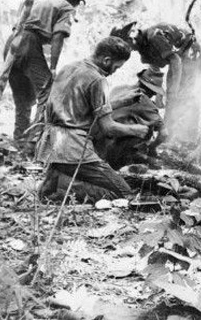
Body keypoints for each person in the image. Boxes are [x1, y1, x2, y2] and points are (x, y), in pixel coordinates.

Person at [37, 37, 149, 202]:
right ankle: (68, 192)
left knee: (46, 194)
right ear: (106, 60)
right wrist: (137, 130)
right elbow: (108, 127)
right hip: (74, 148)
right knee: (125, 193)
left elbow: (79, 107)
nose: (115, 71)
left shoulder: (69, 68)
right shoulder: (97, 79)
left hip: (51, 142)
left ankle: (54, 188)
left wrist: (122, 101)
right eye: (117, 67)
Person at [6, 0, 85, 150]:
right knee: (48, 92)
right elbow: (58, 36)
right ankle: (34, 141)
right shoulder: (67, 8)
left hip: (12, 42)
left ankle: (19, 141)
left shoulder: (46, 2)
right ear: (76, 0)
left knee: (23, 98)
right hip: (28, 43)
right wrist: (54, 67)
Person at [110, 21, 201, 143]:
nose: (127, 50)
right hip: (178, 57)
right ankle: (168, 137)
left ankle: (185, 137)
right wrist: (160, 93)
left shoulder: (154, 37)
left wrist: (172, 91)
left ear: (130, 38)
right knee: (171, 96)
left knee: (181, 95)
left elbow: (175, 61)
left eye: (124, 46)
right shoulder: (142, 47)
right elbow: (155, 70)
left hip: (189, 52)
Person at [94, 67, 167, 169]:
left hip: (97, 145)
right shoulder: (143, 100)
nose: (155, 94)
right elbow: (164, 134)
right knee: (147, 129)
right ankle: (124, 162)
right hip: (113, 150)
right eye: (154, 91)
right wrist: (152, 147)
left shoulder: (118, 88)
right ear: (150, 89)